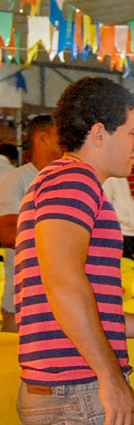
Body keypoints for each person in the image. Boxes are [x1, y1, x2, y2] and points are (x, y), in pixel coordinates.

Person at [15, 78, 134, 425]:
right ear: (99, 133)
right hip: (77, 389)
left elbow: (73, 303)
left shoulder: (60, 182)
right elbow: (64, 281)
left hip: (68, 389)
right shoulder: (74, 181)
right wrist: (110, 376)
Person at [0, 115, 63, 333]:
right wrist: (64, 236)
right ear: (42, 139)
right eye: (61, 134)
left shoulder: (73, 180)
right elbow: (8, 234)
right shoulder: (17, 180)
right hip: (23, 299)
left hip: (65, 299)